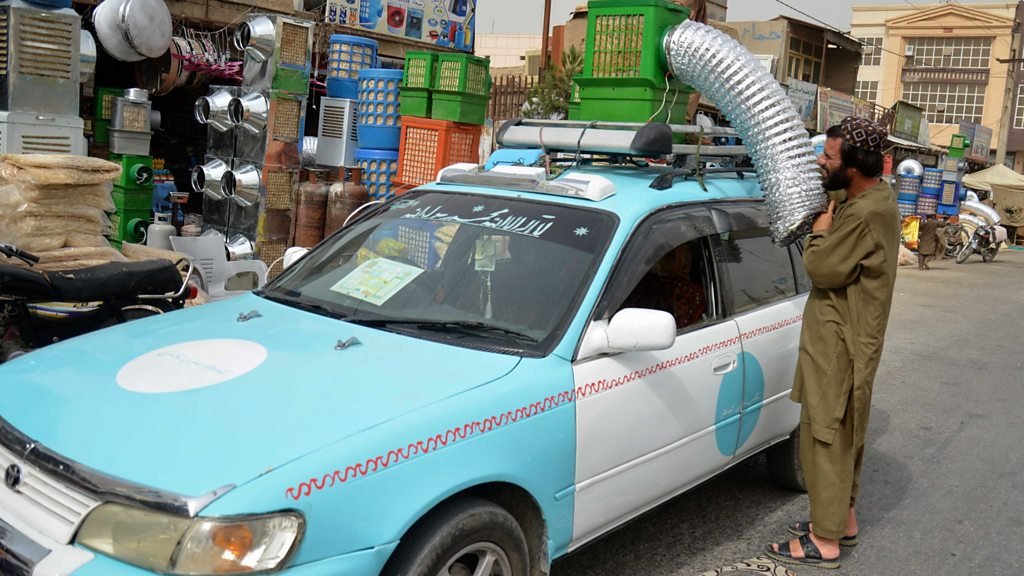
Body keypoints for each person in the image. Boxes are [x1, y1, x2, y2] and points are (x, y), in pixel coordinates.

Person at [766, 117, 901, 569]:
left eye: (828, 156)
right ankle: (842, 521)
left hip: (842, 342)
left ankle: (824, 540)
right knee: (842, 432)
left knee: (825, 434)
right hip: (843, 336)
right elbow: (837, 195)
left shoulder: (864, 214)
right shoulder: (872, 196)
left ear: (855, 165)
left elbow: (823, 269)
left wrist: (821, 229)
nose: (821, 163)